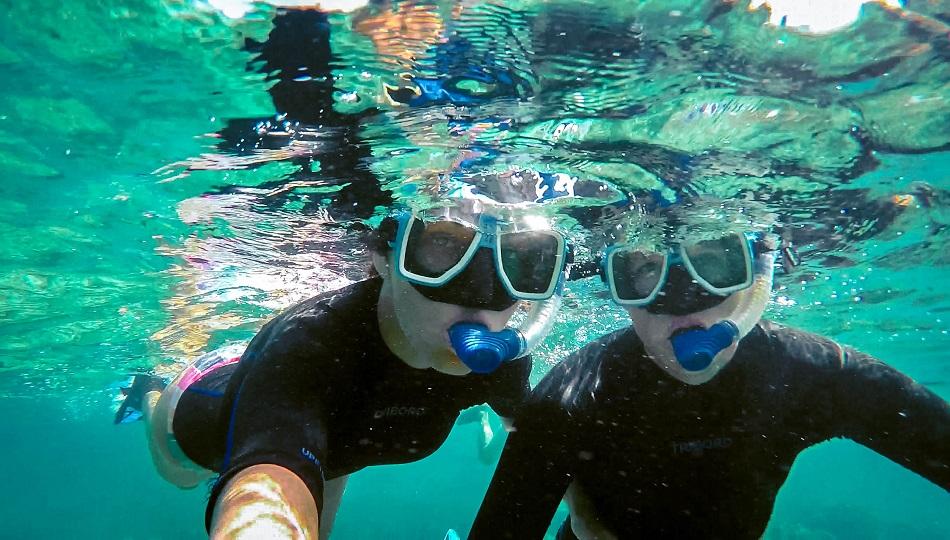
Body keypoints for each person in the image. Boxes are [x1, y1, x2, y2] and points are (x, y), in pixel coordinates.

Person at [469, 204, 949, 539]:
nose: (682, 303)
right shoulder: (575, 393)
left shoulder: (813, 373)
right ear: (614, 284)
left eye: (715, 264)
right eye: (643, 271)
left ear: (757, 275)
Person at [118, 198, 571, 539]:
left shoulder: (501, 363)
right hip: (202, 410)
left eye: (523, 262)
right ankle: (150, 391)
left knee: (326, 474)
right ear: (384, 255)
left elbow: (540, 446)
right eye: (442, 247)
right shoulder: (313, 346)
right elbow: (266, 493)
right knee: (178, 475)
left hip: (331, 446)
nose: (482, 297)